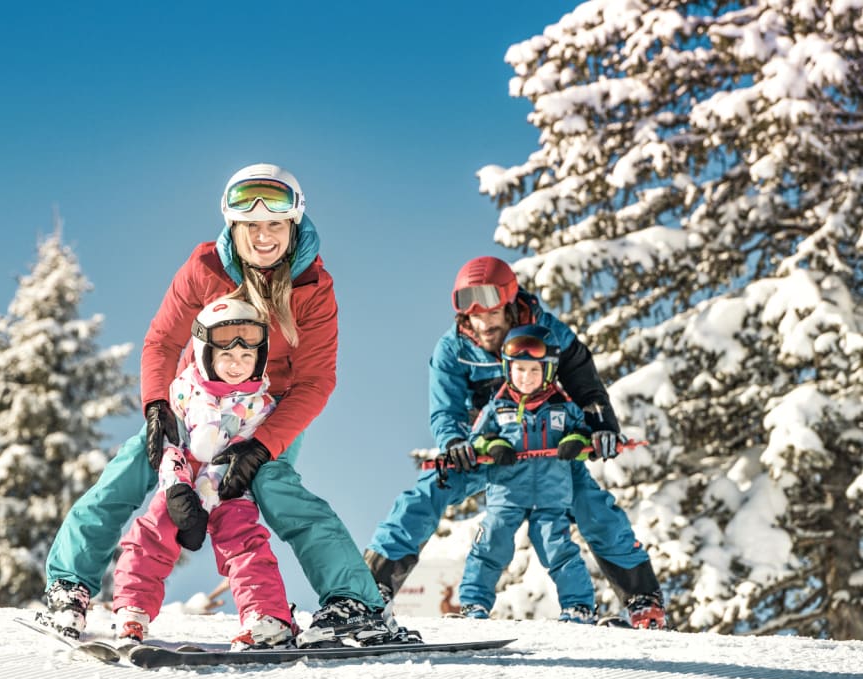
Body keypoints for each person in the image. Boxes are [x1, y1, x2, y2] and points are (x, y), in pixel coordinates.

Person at [45, 163, 414, 647]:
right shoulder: (204, 270)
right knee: (131, 470)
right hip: (193, 401)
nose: (264, 236)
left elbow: (316, 380)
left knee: (277, 489)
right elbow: (161, 342)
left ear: (293, 226)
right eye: (251, 226)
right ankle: (69, 583)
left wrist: (261, 447)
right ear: (233, 228)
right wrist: (158, 409)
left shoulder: (313, 290)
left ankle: (355, 603)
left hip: (264, 411)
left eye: (275, 225)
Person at [364, 256, 667, 629]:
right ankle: (369, 590)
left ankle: (643, 603)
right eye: (471, 312)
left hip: (550, 448)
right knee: (424, 495)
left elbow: (586, 386)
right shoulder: (453, 349)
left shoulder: (549, 333)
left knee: (596, 509)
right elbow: (445, 410)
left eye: (491, 311)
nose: (482, 322)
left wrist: (601, 427)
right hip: (491, 451)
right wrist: (456, 443)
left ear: (508, 303)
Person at [112, 297, 296, 651]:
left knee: (244, 543)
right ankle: (132, 608)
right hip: (181, 480)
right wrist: (179, 489)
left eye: (247, 357)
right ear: (205, 352)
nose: (237, 365)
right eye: (227, 355)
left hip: (228, 486)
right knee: (153, 531)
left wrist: (208, 496)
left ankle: (266, 617)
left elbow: (240, 452)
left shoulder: (261, 405)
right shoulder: (182, 391)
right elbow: (172, 444)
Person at [456, 324, 598, 624]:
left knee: (558, 548)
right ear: (509, 370)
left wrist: (576, 441)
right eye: (519, 370)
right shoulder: (498, 407)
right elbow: (476, 438)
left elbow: (585, 433)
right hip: (507, 493)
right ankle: (473, 605)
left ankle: (579, 607)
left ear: (547, 372)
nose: (526, 378)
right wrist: (493, 445)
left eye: (535, 371)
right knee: (491, 542)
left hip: (551, 495)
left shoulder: (563, 407)